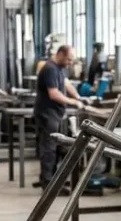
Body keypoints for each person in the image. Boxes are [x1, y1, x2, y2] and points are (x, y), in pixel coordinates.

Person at [34, 45, 86, 187]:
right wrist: (74, 102)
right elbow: (54, 94)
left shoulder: (58, 69)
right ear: (60, 54)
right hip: (47, 114)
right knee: (49, 149)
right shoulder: (50, 69)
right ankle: (48, 183)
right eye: (69, 59)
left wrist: (79, 97)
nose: (70, 63)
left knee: (54, 148)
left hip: (54, 115)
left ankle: (50, 180)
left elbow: (66, 84)